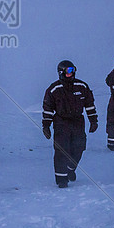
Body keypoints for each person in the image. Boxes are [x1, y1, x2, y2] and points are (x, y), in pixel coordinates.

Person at [42, 60, 99, 188]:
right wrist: (46, 125)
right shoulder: (54, 89)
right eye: (68, 71)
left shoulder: (82, 86)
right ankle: (61, 179)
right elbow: (48, 108)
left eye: (72, 70)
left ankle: (70, 168)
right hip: (61, 122)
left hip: (78, 121)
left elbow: (90, 105)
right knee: (61, 150)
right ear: (61, 72)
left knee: (79, 147)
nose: (71, 74)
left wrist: (93, 120)